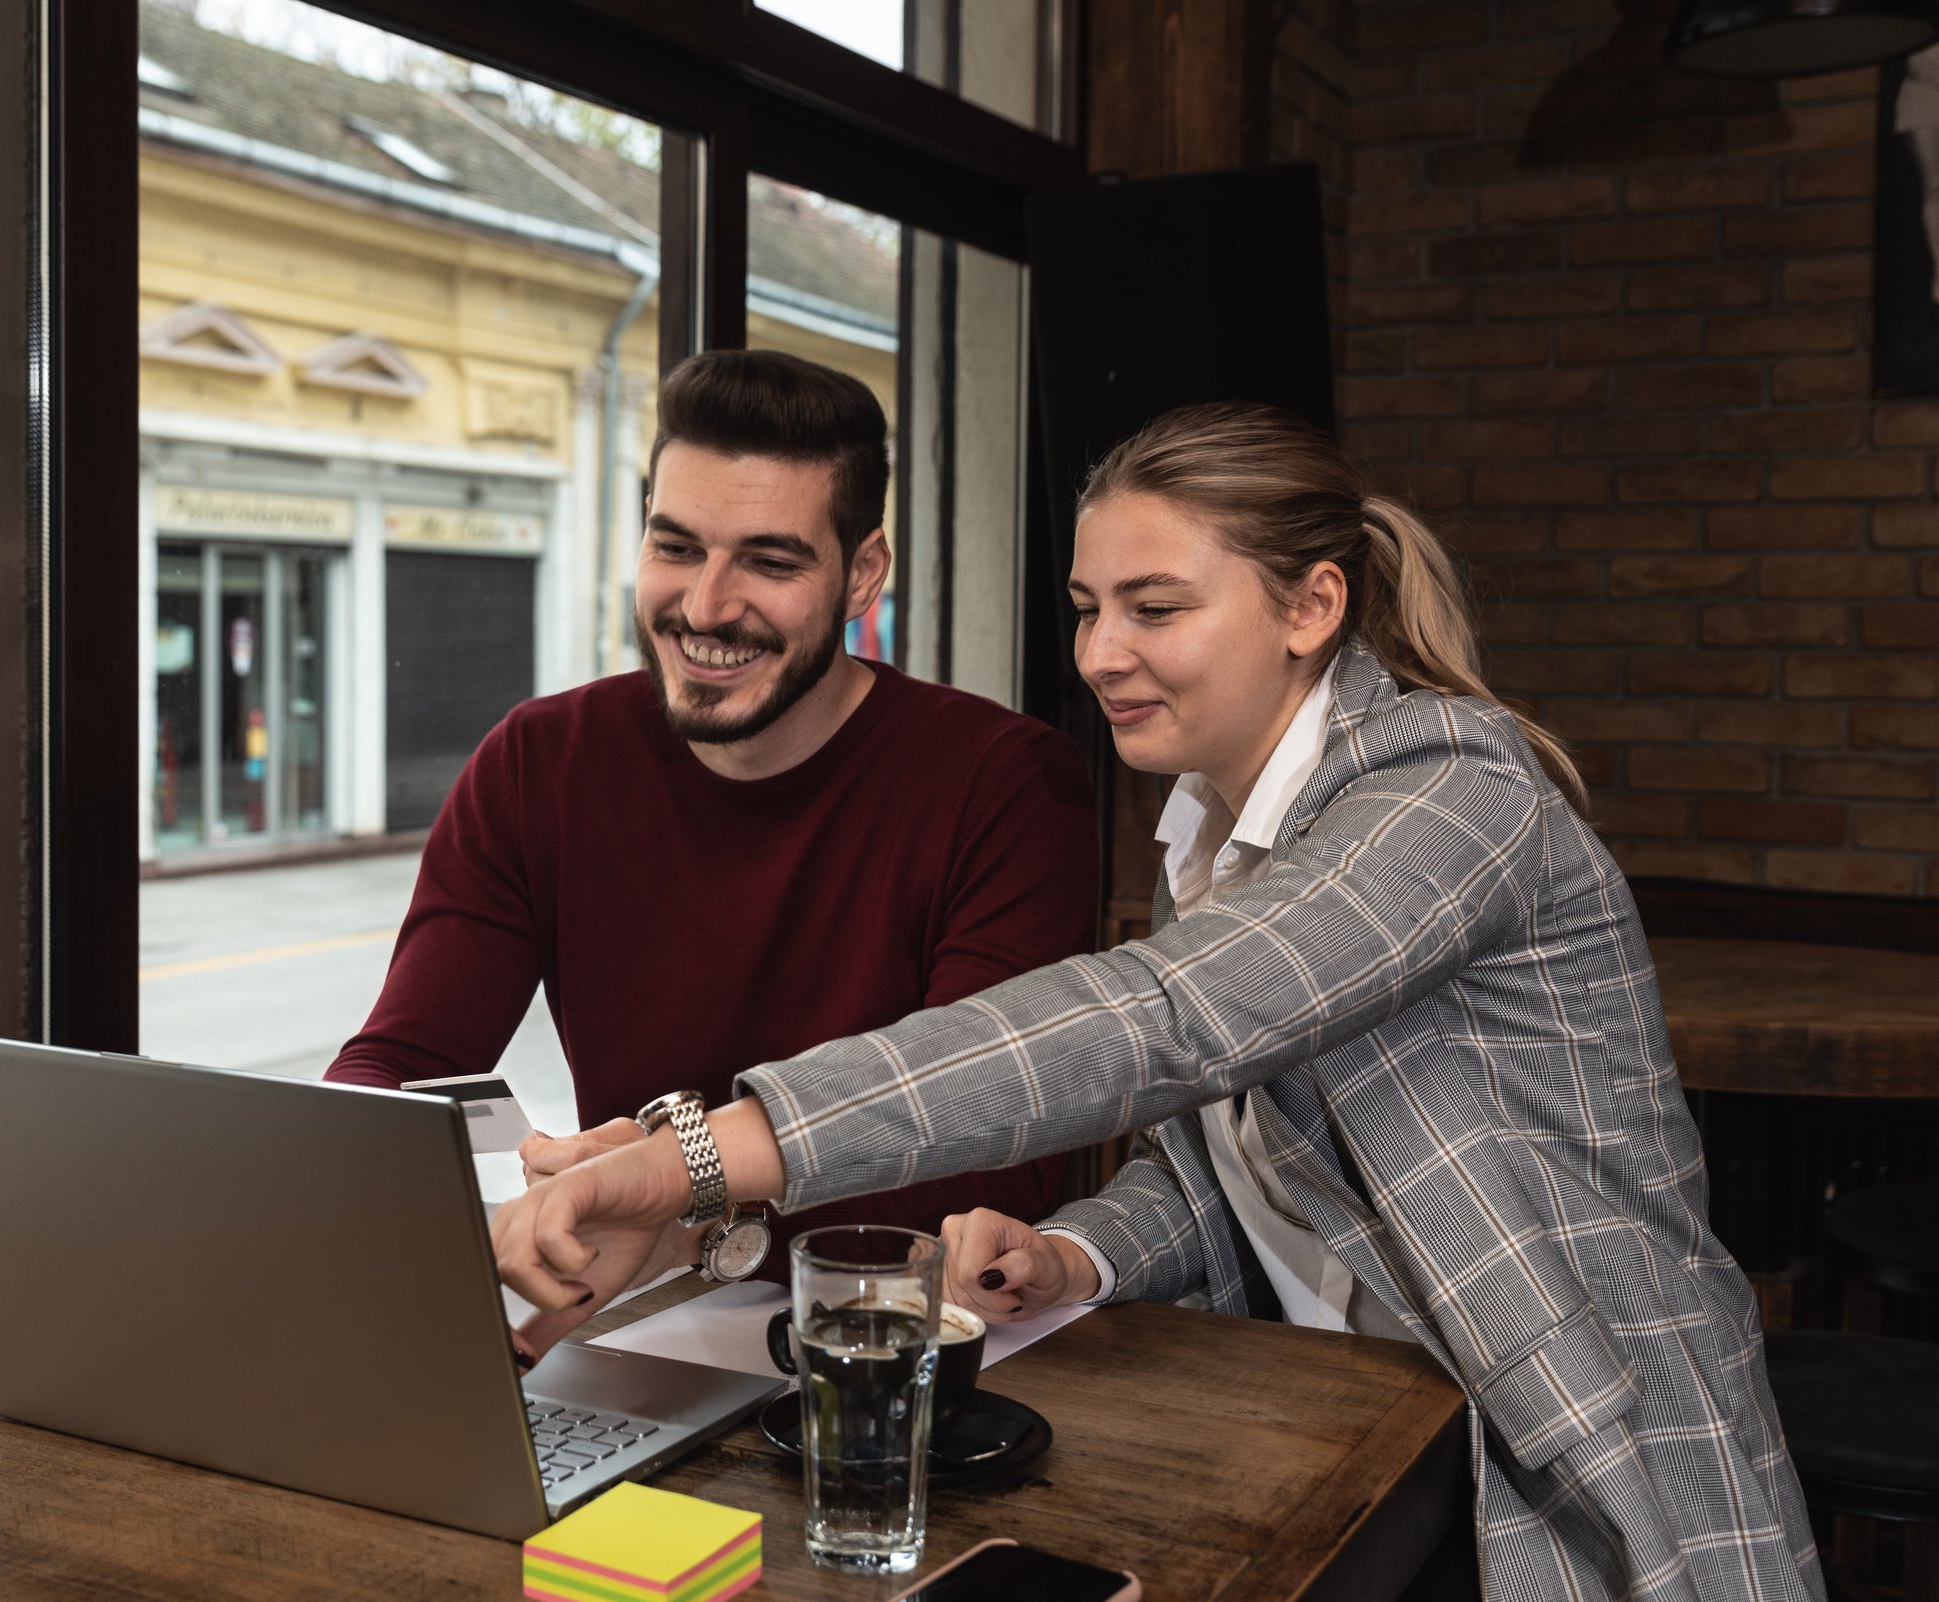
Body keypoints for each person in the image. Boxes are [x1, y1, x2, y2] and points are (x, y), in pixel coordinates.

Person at [494, 402, 1821, 1602]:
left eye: (1155, 607)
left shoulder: (1453, 798)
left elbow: (1162, 1020)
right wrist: (1074, 1254)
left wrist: (693, 1165)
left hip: (1570, 1443)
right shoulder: (1216, 829)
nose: (1102, 652)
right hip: (1372, 1433)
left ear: (1311, 607)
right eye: (1087, 607)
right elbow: (1242, 1166)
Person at [328, 348, 1094, 1273]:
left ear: (862, 575)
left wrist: (676, 1205)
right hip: (636, 1315)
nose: (705, 605)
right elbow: (399, 1069)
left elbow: (998, 1146)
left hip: (883, 1332)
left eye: (769, 561)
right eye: (675, 546)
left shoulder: (1004, 783)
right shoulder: (541, 761)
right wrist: (491, 1174)